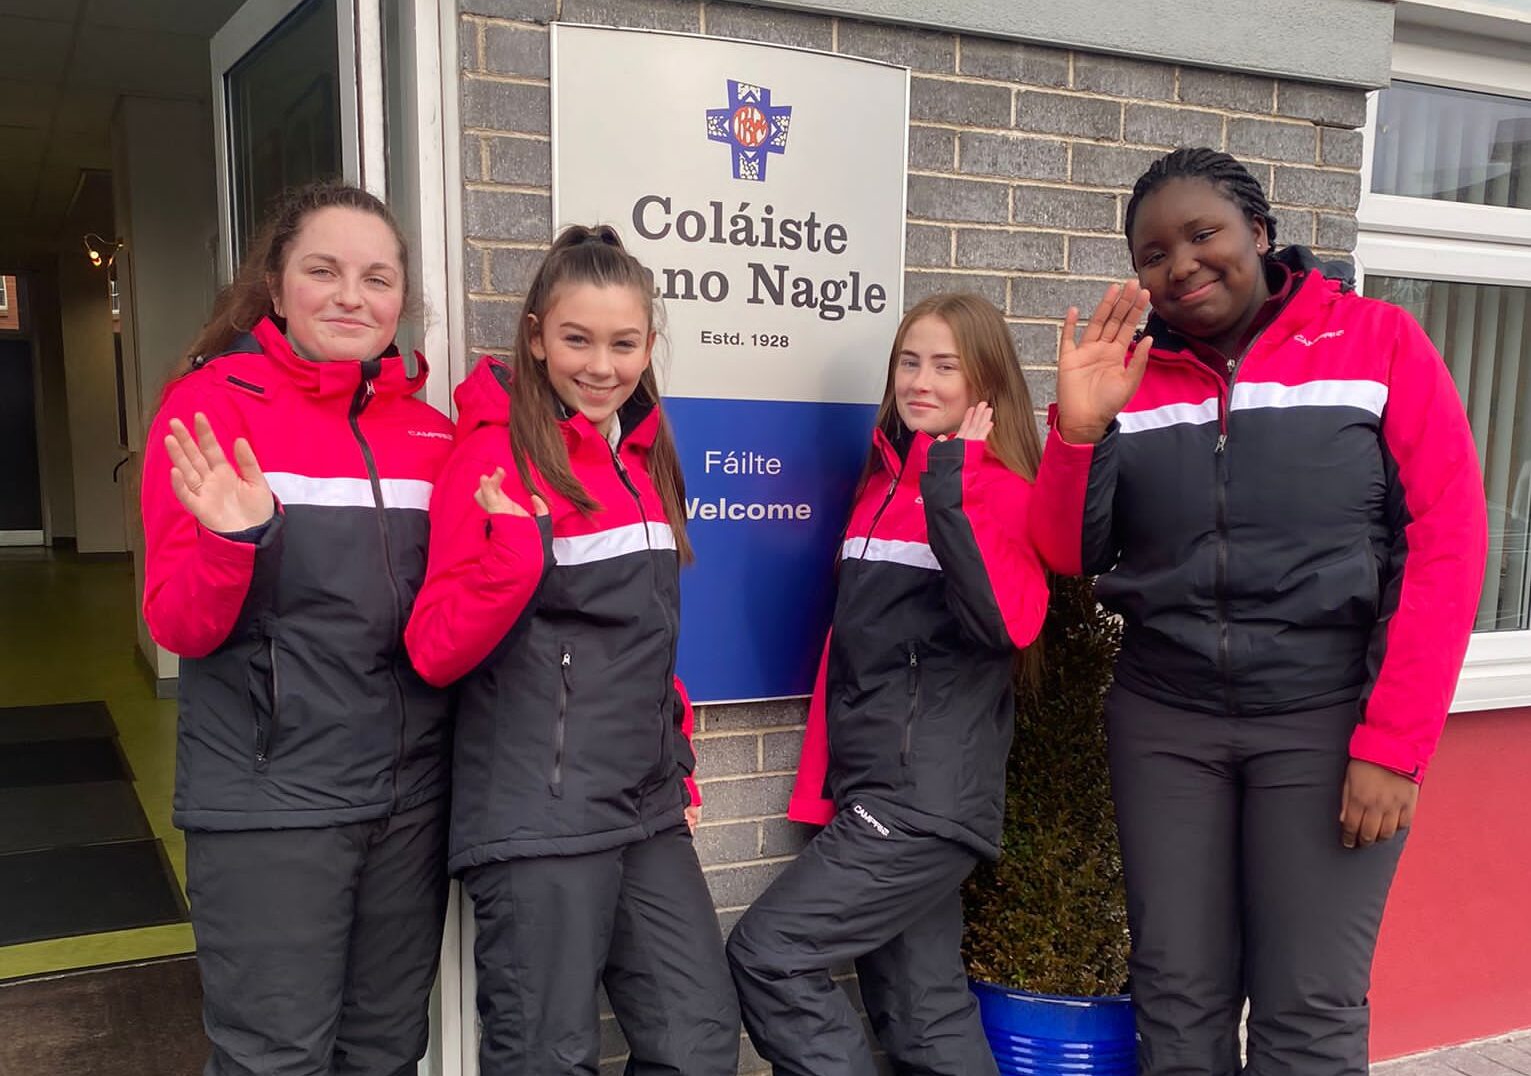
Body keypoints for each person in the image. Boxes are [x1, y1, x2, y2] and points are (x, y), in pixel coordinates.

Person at [1030, 147, 1488, 1076]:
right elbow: (1067, 555)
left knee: (1307, 1003)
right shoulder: (1132, 375)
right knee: (1176, 991)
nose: (1182, 264)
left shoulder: (1376, 342)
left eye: (1204, 234)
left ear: (1260, 234)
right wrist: (1078, 429)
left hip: (1325, 722)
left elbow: (1447, 541)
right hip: (1165, 722)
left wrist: (1393, 743)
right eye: (1154, 252)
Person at [404, 224, 739, 1076]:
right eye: (576, 338)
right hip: (539, 812)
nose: (601, 364)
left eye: (623, 343)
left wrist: (678, 759)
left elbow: (645, 636)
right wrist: (513, 557)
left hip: (645, 805)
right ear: (535, 335)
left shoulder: (645, 454)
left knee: (697, 1041)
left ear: (648, 344)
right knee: (547, 1057)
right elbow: (434, 647)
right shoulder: (490, 457)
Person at [141, 183, 455, 1076]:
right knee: (274, 1059)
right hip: (270, 800)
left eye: (377, 277)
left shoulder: (431, 435)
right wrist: (237, 539)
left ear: (401, 300)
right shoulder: (211, 408)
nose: (352, 296)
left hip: (408, 802)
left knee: (387, 1050)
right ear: (275, 289)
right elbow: (178, 622)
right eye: (323, 271)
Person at [727, 293, 1049, 1076]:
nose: (920, 380)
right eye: (910, 360)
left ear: (984, 382)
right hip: (882, 786)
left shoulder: (998, 488)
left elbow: (1005, 624)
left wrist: (952, 485)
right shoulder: (881, 483)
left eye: (944, 364)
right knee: (922, 1008)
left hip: (921, 799)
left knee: (769, 953)